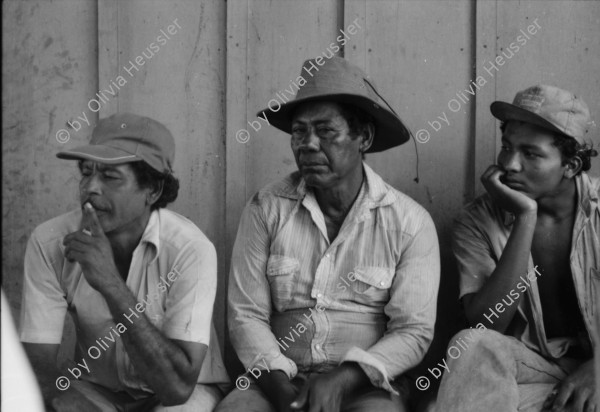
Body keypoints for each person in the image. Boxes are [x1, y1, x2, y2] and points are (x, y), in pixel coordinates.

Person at [217, 56, 440, 412]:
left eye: (325, 131)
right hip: (278, 380)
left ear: (363, 137)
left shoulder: (409, 222)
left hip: (365, 384)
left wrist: (343, 379)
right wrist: (286, 396)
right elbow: (246, 316)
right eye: (299, 132)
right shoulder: (266, 208)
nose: (308, 144)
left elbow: (413, 332)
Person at [20, 113, 229, 411]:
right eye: (86, 172)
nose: (90, 187)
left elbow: (176, 389)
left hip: (185, 392)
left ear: (153, 190)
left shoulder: (189, 249)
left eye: (110, 176)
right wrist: (67, 402)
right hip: (97, 389)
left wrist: (110, 283)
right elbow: (36, 362)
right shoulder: (50, 241)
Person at [436, 85, 598, 412]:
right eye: (507, 147)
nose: (509, 163)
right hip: (532, 374)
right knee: (471, 345)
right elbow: (486, 325)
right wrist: (525, 217)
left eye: (531, 153)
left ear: (571, 163)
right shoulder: (477, 221)